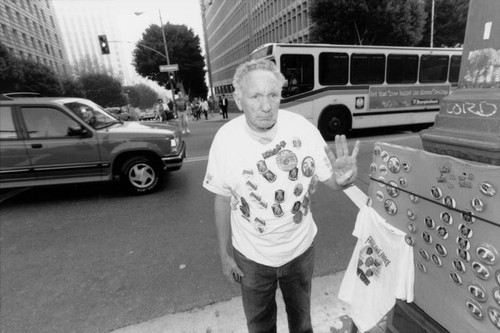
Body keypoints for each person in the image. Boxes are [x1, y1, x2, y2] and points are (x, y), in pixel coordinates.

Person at [203, 59, 360, 333]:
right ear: (238, 100)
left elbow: (332, 181)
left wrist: (345, 179)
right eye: (256, 96)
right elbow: (221, 199)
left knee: (302, 324)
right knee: (260, 327)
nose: (266, 106)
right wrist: (223, 255)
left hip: (299, 252)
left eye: (273, 95)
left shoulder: (302, 129)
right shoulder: (225, 139)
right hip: (251, 259)